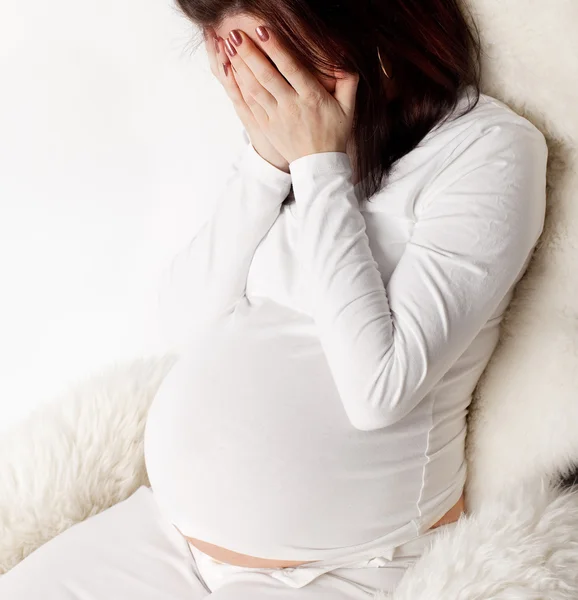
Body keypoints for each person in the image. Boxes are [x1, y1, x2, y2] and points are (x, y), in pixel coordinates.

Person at [0, 0, 548, 598]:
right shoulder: (299, 145)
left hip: (338, 565)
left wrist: (320, 167)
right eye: (233, 52)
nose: (254, 73)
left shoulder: (487, 150)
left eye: (265, 45)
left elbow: (379, 391)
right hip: (169, 533)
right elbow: (186, 323)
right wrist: (266, 162)